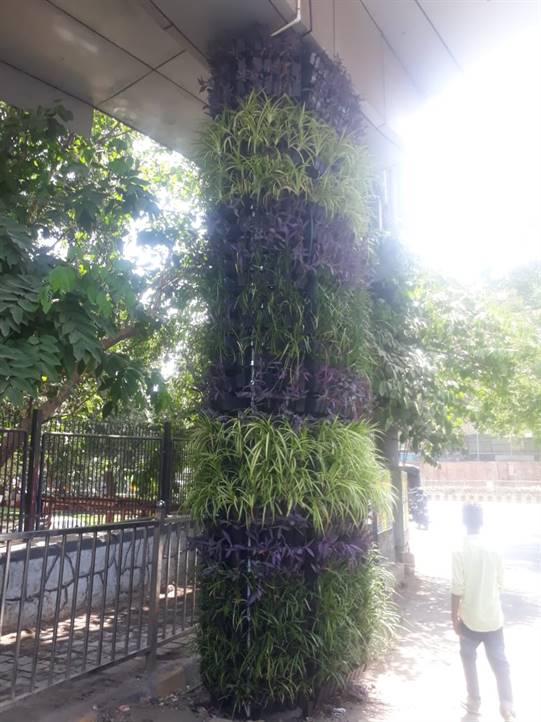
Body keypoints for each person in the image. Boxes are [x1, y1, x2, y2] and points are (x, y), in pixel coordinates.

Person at [451, 503, 515, 721]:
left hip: (469, 619)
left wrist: (454, 618)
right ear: (482, 521)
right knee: (500, 661)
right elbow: (501, 583)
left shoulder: (459, 550)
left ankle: (474, 701)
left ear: (463, 522)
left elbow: (457, 589)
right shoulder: (495, 548)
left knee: (468, 657)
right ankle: (507, 704)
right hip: (493, 618)